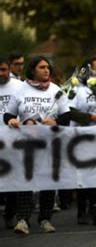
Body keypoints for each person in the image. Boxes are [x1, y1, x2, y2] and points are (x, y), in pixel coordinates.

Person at [4, 56, 71, 235]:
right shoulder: (21, 89)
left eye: (48, 67)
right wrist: (10, 119)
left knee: (47, 180)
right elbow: (8, 114)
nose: (46, 70)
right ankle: (23, 220)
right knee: (25, 180)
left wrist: (55, 121)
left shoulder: (57, 90)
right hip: (25, 144)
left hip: (49, 143)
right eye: (42, 67)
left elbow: (67, 117)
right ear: (33, 70)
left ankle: (45, 219)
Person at [69, 57, 96, 226]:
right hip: (82, 137)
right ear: (89, 70)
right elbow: (69, 110)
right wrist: (91, 117)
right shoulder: (78, 90)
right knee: (84, 175)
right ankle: (82, 210)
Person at [0, 56, 22, 229]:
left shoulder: (19, 87)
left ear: (9, 70)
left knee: (13, 180)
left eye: (4, 70)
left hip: (14, 140)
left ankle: (10, 213)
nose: (1, 73)